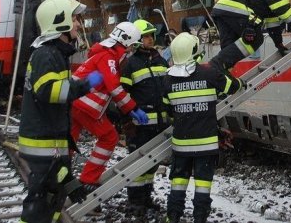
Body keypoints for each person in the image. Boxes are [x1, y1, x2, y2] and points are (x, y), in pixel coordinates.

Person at [19, 0, 103, 223]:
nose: (78, 24)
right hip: (43, 144)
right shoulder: (47, 54)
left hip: (50, 143)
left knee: (54, 197)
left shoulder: (53, 53)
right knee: (40, 206)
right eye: (75, 18)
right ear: (60, 21)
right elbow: (49, 91)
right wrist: (86, 84)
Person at [163, 32, 243, 223]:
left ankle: (173, 216)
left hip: (181, 145)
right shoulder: (209, 73)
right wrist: (240, 82)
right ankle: (199, 218)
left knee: (178, 183)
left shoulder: (167, 80)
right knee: (203, 185)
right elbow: (232, 87)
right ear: (194, 51)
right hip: (205, 145)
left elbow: (167, 112)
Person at [71, 21, 148, 191]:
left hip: (73, 103)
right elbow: (114, 87)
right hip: (85, 105)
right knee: (109, 137)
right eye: (132, 46)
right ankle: (88, 181)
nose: (131, 50)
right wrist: (134, 109)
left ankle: (58, 179)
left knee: (68, 143)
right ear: (126, 42)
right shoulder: (109, 57)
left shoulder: (103, 53)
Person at [120, 19, 169, 213]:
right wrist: (126, 120)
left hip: (159, 123)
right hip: (139, 125)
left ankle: (146, 197)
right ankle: (134, 201)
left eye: (151, 35)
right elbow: (122, 94)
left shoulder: (161, 60)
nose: (149, 39)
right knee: (137, 164)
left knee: (152, 163)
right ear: (137, 40)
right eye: (145, 36)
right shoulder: (130, 64)